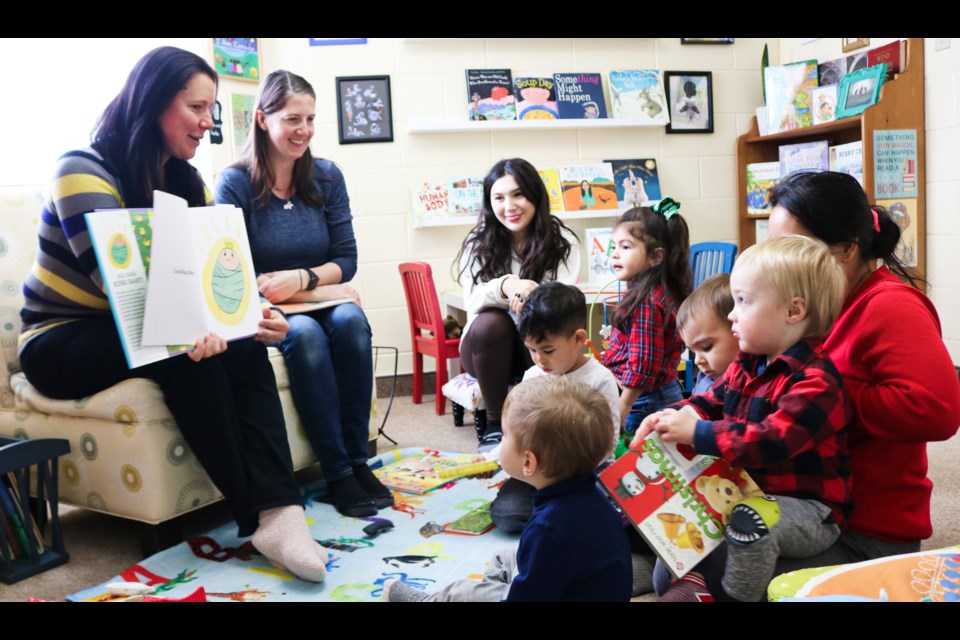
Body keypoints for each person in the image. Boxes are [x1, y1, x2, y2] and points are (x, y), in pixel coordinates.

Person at [17, 47, 329, 582]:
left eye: (210, 108)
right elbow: (124, 289)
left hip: (138, 323)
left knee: (241, 343)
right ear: (153, 102)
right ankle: (255, 513)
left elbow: (207, 273)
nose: (208, 121)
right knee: (187, 355)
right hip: (60, 337)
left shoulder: (186, 181)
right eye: (196, 107)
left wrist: (249, 316)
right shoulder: (79, 169)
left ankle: (281, 513)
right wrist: (194, 329)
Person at [636, 235, 852, 602]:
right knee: (681, 504)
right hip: (748, 490)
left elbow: (773, 440)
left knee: (751, 520)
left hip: (809, 511)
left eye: (743, 302)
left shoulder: (816, 381)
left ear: (793, 311)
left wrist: (700, 432)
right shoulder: (749, 362)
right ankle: (686, 581)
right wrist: (672, 415)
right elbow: (711, 400)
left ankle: (737, 597)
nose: (732, 314)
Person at [215, 70, 391, 518]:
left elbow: (346, 259)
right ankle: (337, 472)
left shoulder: (328, 177)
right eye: (293, 118)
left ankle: (357, 461)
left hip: (311, 296)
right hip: (271, 309)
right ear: (262, 119)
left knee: (351, 323)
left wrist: (301, 280)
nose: (304, 131)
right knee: (308, 336)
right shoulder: (233, 184)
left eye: (311, 119)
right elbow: (239, 273)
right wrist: (310, 287)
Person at [767, 170, 960, 570]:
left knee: (719, 571)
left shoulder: (890, 306)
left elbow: (937, 411)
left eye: (793, 247)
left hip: (864, 533)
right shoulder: (818, 304)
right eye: (774, 246)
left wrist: (823, 391)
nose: (778, 260)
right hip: (807, 508)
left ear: (844, 250)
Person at [383, 376, 632, 602]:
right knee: (505, 556)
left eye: (503, 436)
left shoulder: (548, 529)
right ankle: (491, 591)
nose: (500, 442)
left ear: (528, 462)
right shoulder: (592, 498)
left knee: (462, 593)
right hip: (576, 584)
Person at [453, 158, 581, 453]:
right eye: (498, 197)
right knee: (490, 321)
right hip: (484, 349)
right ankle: (495, 424)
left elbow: (562, 304)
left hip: (535, 345)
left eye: (518, 194)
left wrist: (532, 298)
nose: (509, 206)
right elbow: (472, 303)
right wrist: (506, 285)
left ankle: (540, 420)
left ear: (535, 195)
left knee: (542, 331)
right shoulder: (478, 242)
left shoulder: (563, 242)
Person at [482, 281, 620, 534]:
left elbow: (608, 442)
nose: (539, 359)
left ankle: (568, 519)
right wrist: (498, 457)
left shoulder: (600, 379)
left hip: (585, 473)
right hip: (538, 473)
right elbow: (517, 430)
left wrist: (566, 470)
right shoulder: (533, 375)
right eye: (532, 350)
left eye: (547, 350)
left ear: (579, 339)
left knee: (616, 510)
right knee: (508, 514)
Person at [601, 198, 692, 444]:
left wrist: (624, 404)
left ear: (655, 257)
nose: (615, 254)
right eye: (614, 247)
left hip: (645, 400)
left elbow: (644, 365)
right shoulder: (655, 290)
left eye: (626, 247)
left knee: (636, 460)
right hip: (656, 394)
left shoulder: (647, 302)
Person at [676, 273, 738, 395]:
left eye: (706, 347)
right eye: (693, 351)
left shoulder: (741, 391)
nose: (697, 361)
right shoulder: (707, 376)